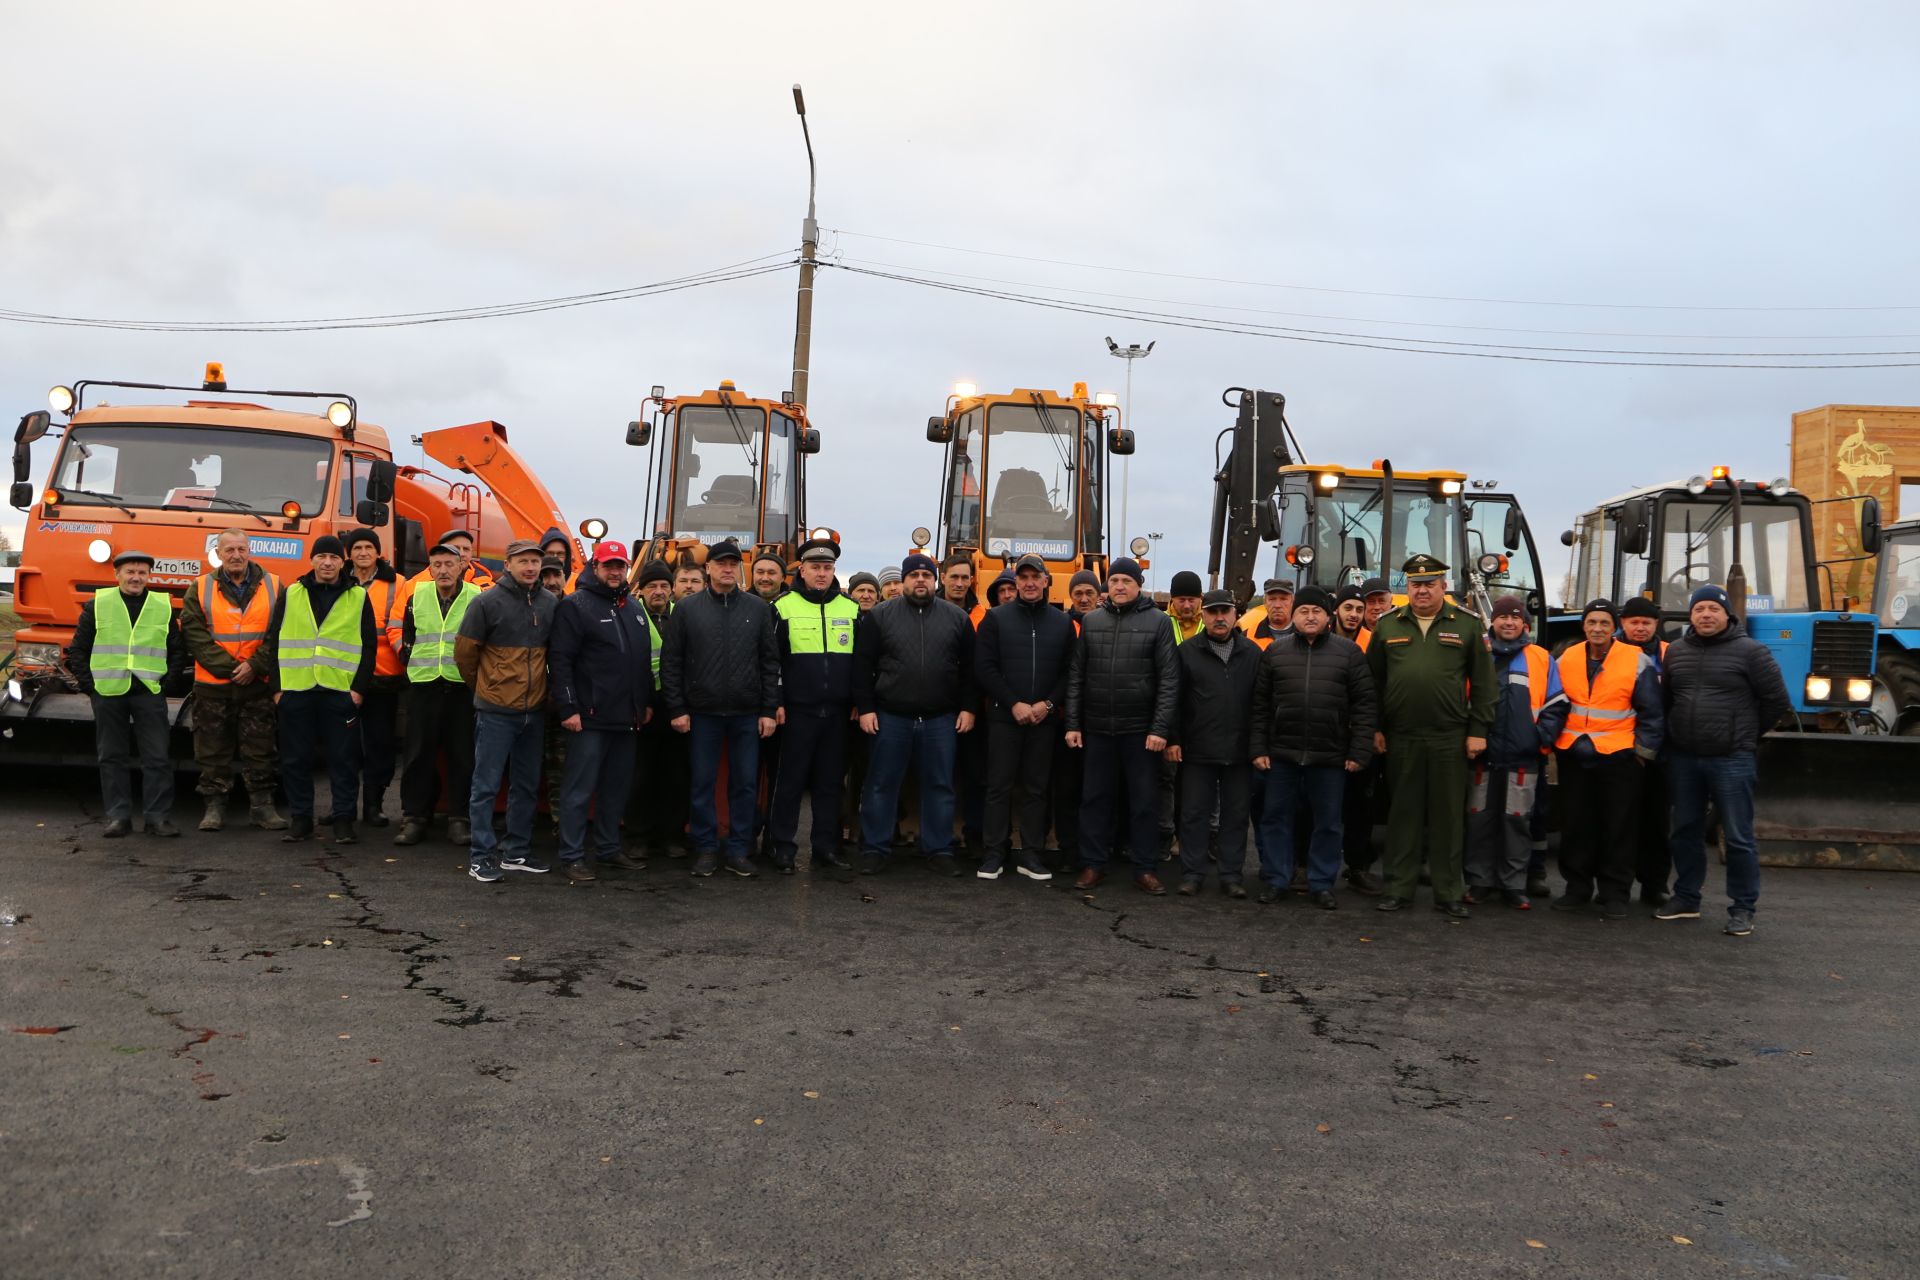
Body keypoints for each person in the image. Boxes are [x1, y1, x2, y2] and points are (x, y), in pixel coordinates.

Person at [1654, 585, 1790, 937]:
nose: (1706, 615)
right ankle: (1686, 897)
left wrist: (1743, 734)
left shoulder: (1751, 652)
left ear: (1727, 614)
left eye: (1713, 608)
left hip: (1732, 759)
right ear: (1691, 615)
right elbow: (1668, 699)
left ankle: (1743, 907)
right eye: (1699, 609)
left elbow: (1776, 702)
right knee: (1684, 830)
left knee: (1739, 836)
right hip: (1684, 758)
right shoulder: (1677, 652)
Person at [1364, 555, 1495, 918]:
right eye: (1415, 585)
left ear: (1443, 586)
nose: (1422, 590)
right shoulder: (1388, 625)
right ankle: (1398, 888)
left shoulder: (1467, 625)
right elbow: (1373, 682)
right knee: (1402, 815)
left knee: (1448, 817)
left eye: (1430, 584)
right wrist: (1374, 727)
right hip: (1401, 736)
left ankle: (1449, 891)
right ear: (1406, 588)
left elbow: (1485, 684)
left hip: (1449, 737)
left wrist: (1478, 732)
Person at [1248, 585, 1377, 908]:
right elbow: (1260, 706)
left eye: (1316, 611)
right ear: (1293, 617)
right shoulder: (1275, 653)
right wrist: (1258, 748)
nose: (1309, 617)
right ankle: (1278, 879)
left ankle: (1321, 883)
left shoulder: (1348, 654)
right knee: (1275, 818)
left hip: (1330, 756)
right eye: (1303, 611)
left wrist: (1358, 752)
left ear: (1328, 617)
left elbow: (1364, 706)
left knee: (1328, 823)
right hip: (1282, 754)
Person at [660, 539, 780, 879]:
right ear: (708, 568)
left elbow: (769, 663)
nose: (727, 569)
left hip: (746, 713)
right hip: (702, 713)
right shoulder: (686, 609)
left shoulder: (758, 609)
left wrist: (768, 709)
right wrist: (677, 708)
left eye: (732, 564)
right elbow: (672, 663)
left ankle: (740, 849)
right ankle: (706, 848)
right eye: (720, 563)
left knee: (744, 785)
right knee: (702, 783)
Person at [853, 552, 976, 876]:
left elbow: (969, 671)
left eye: (926, 575)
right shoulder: (879, 616)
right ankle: (875, 848)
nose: (920, 580)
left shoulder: (956, 618)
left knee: (939, 785)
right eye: (914, 575)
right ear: (904, 581)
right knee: (881, 784)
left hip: (940, 719)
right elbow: (862, 666)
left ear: (935, 581)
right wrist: (865, 708)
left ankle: (938, 849)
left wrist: (967, 708)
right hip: (891, 716)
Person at [1065, 557, 1178, 894]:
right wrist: (1073, 722)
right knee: (1095, 800)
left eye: (1126, 581)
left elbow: (1169, 680)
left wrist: (1160, 729)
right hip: (1098, 729)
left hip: (1140, 732)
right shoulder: (1092, 621)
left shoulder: (1158, 622)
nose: (1119, 587)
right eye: (1113, 581)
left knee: (1143, 802)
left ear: (1138, 585)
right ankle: (1093, 865)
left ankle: (1145, 868)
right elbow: (1077, 676)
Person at [1551, 599, 1665, 920]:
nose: (1597, 628)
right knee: (1576, 825)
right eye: (1591, 622)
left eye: (1604, 623)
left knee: (1619, 827)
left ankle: (1615, 893)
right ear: (1583, 626)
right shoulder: (1567, 657)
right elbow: (1556, 703)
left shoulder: (1635, 659)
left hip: (1620, 758)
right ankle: (1577, 888)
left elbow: (1652, 713)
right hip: (1575, 755)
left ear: (1614, 627)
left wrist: (1642, 755)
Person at [259, 535, 376, 844]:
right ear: (311, 560)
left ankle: (343, 820)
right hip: (296, 691)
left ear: (343, 562)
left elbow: (369, 646)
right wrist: (277, 689)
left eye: (334, 557)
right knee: (295, 759)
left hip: (340, 692)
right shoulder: (292, 593)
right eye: (322, 556)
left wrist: (358, 690)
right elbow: (274, 640)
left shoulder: (359, 597)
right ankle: (300, 819)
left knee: (344, 760)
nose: (327, 562)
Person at [456, 540, 559, 882]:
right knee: (485, 786)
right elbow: (466, 656)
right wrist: (486, 690)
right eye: (523, 561)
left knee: (527, 785)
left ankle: (516, 851)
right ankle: (480, 856)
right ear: (508, 564)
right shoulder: (486, 602)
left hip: (534, 710)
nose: (530, 566)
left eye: (535, 561)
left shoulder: (549, 603)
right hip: (496, 710)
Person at [549, 540, 653, 882]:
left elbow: (640, 664)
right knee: (579, 790)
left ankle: (609, 849)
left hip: (626, 719)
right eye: (608, 565)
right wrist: (569, 708)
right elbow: (560, 661)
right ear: (595, 567)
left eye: (620, 566)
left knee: (615, 789)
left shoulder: (634, 608)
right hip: (589, 718)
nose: (614, 571)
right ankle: (572, 855)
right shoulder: (575, 606)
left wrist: (645, 704)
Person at [69, 549, 190, 837]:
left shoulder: (162, 605)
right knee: (112, 756)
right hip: (108, 692)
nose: (136, 577)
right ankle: (118, 817)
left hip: (149, 692)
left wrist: (167, 684)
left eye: (142, 573)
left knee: (157, 757)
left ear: (149, 576)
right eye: (130, 572)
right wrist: (91, 686)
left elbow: (177, 649)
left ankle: (157, 818)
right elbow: (78, 650)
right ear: (117, 575)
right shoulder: (98, 604)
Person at [974, 553, 1073, 882]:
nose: (1029, 583)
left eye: (1036, 577)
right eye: (1023, 577)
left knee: (1036, 789)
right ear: (1015, 583)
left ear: (1047, 582)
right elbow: (985, 668)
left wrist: (1047, 704)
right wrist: (1013, 702)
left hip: (1044, 721)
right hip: (1004, 719)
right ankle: (994, 853)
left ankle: (1032, 854)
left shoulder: (1061, 624)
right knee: (997, 787)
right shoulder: (996, 619)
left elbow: (1068, 673)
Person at [1464, 596, 1567, 909]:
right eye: (1502, 617)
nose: (1508, 622)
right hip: (1481, 757)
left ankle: (1514, 884)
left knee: (1517, 822)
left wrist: (1539, 740)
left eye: (1515, 617)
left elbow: (1557, 705)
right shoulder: (1477, 654)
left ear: (1525, 623)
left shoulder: (1541, 658)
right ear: (1492, 622)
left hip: (1523, 758)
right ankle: (1479, 882)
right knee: (1479, 821)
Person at [180, 529, 285, 831]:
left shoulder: (275, 585)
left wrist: (255, 665)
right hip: (213, 686)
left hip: (258, 683)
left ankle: (262, 807)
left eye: (241, 549)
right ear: (219, 552)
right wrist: (231, 669)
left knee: (261, 747)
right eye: (230, 550)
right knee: (212, 748)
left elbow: (281, 632)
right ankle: (214, 808)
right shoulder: (199, 588)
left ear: (249, 551)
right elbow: (195, 635)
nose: (236, 555)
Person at [769, 536, 860, 874]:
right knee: (790, 782)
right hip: (797, 713)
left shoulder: (850, 609)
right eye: (815, 568)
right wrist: (775, 701)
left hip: (837, 714)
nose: (821, 574)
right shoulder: (782, 607)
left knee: (830, 784)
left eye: (827, 568)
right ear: (802, 570)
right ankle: (783, 847)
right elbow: (771, 662)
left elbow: (861, 664)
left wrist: (858, 702)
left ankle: (826, 848)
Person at [1166, 588, 1260, 897]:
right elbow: (1175, 700)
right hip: (1197, 749)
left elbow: (1261, 705)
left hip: (1239, 750)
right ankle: (1192, 875)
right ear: (1203, 615)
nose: (1219, 618)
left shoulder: (1252, 653)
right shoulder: (1187, 652)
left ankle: (1231, 876)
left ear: (1235, 615)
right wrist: (1174, 739)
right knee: (1193, 814)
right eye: (1213, 612)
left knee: (1235, 816)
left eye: (1225, 612)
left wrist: (1258, 746)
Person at [393, 541, 480, 847]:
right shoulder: (417, 596)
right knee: (417, 755)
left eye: (449, 564)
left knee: (462, 755)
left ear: (461, 567)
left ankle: (460, 819)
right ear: (429, 569)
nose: (443, 570)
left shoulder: (476, 597)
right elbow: (407, 638)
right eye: (437, 565)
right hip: (424, 686)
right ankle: (414, 818)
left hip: (461, 688)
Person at [342, 527, 405, 828]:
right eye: (357, 548)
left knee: (380, 745)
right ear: (349, 554)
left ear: (379, 552)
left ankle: (373, 806)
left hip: (383, 676)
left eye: (369, 547)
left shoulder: (398, 583)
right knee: (344, 746)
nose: (363, 552)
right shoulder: (339, 581)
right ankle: (343, 806)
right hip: (345, 676)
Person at [630, 559, 688, 859]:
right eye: (652, 586)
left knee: (675, 776)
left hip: (676, 708)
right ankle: (639, 836)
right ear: (641, 589)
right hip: (644, 708)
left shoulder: (683, 615)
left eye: (664, 586)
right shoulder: (631, 615)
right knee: (641, 776)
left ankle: (671, 836)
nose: (659, 591)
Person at [1618, 596, 1673, 904]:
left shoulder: (1671, 655)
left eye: (1646, 623)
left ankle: (1655, 884)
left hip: (1661, 755)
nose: (1639, 628)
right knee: (1620, 822)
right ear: (1623, 623)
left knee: (1657, 822)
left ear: (1656, 625)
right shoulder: (1610, 654)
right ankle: (1618, 885)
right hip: (1621, 751)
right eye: (1633, 622)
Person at [1240, 578, 1294, 646]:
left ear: (1292, 601)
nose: (1277, 605)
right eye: (1272, 599)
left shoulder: (1305, 635)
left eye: (1283, 599)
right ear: (1265, 602)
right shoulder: (1247, 637)